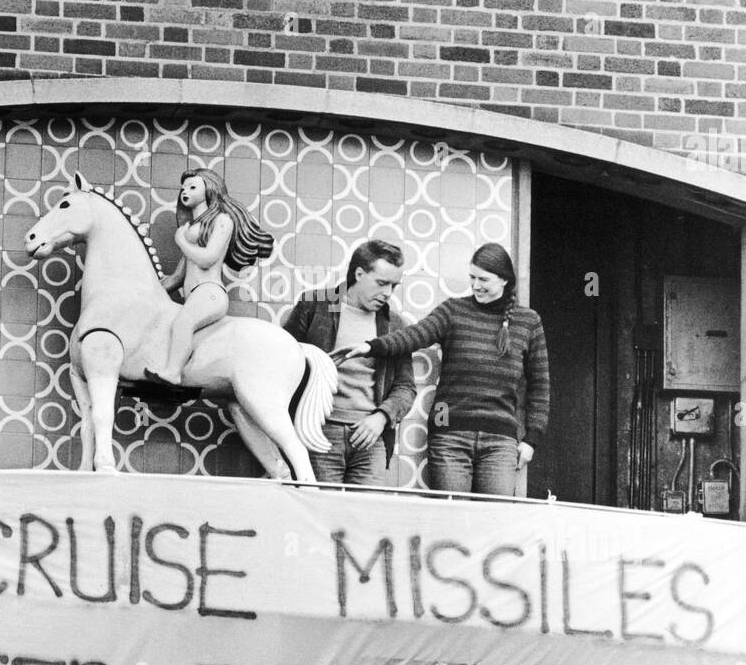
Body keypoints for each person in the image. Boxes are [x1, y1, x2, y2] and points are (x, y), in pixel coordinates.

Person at [336, 243, 549, 495]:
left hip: (501, 441)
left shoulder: (529, 321)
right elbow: (413, 336)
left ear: (504, 279)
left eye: (484, 279)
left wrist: (531, 440)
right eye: (472, 277)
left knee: (495, 525)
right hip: (450, 436)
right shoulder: (453, 311)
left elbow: (540, 385)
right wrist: (371, 347)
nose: (476, 285)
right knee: (450, 520)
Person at [282, 240, 416, 484]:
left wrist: (382, 417)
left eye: (393, 286)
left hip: (371, 436)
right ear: (359, 274)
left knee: (364, 518)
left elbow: (406, 387)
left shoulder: (395, 325)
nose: (388, 293)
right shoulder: (314, 306)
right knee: (319, 517)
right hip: (318, 431)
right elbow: (281, 363)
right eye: (382, 283)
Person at [151, 169, 273, 385]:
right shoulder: (191, 228)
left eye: (192, 187)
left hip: (210, 293)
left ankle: (172, 373)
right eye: (183, 188)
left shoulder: (223, 221)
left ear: (209, 189)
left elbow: (208, 258)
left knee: (182, 323)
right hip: (196, 294)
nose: (185, 191)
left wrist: (181, 242)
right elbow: (178, 277)